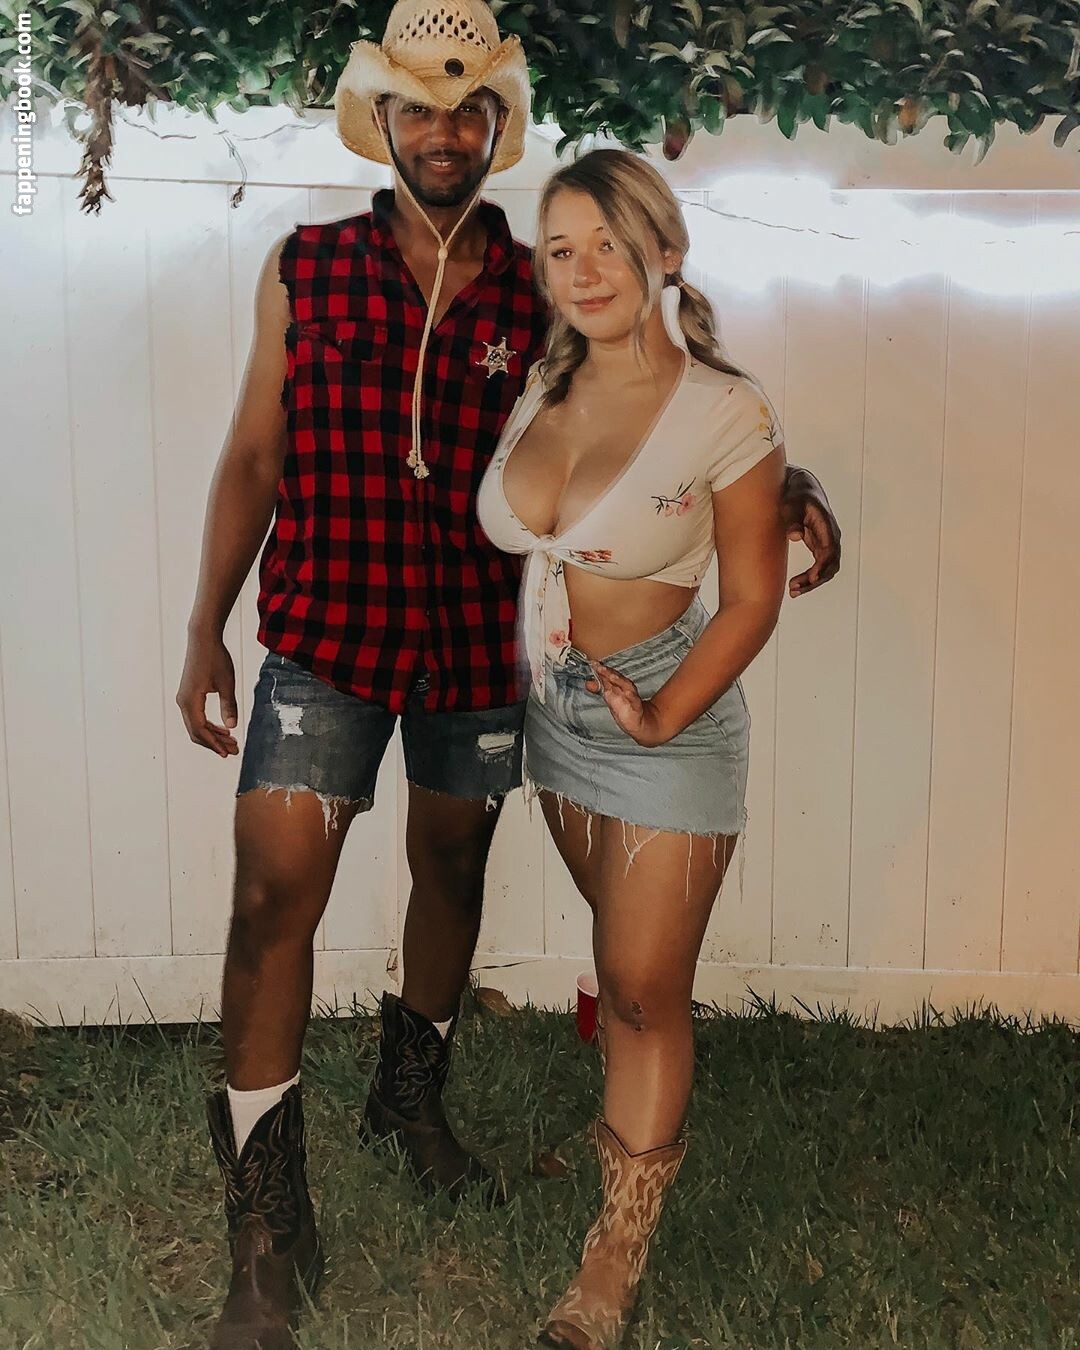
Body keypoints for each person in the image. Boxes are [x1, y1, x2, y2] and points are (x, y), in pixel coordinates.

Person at [174, 3, 841, 1346]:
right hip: (324, 636)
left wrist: (783, 484)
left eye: (466, 106)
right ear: (381, 120)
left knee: (453, 870)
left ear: (496, 126)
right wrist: (205, 626)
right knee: (269, 894)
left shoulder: (539, 286)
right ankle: (266, 1221)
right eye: (416, 106)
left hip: (482, 650)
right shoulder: (307, 266)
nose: (441, 129)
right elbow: (252, 453)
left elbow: (649, 395)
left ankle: (408, 1095)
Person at [477, 148, 791, 1350]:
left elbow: (752, 595)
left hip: (666, 712)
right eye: (561, 249)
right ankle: (624, 1124)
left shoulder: (726, 409)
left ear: (666, 249)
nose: (585, 268)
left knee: (648, 988)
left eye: (609, 241)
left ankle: (613, 1254)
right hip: (558, 709)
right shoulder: (540, 385)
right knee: (619, 968)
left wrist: (661, 715)